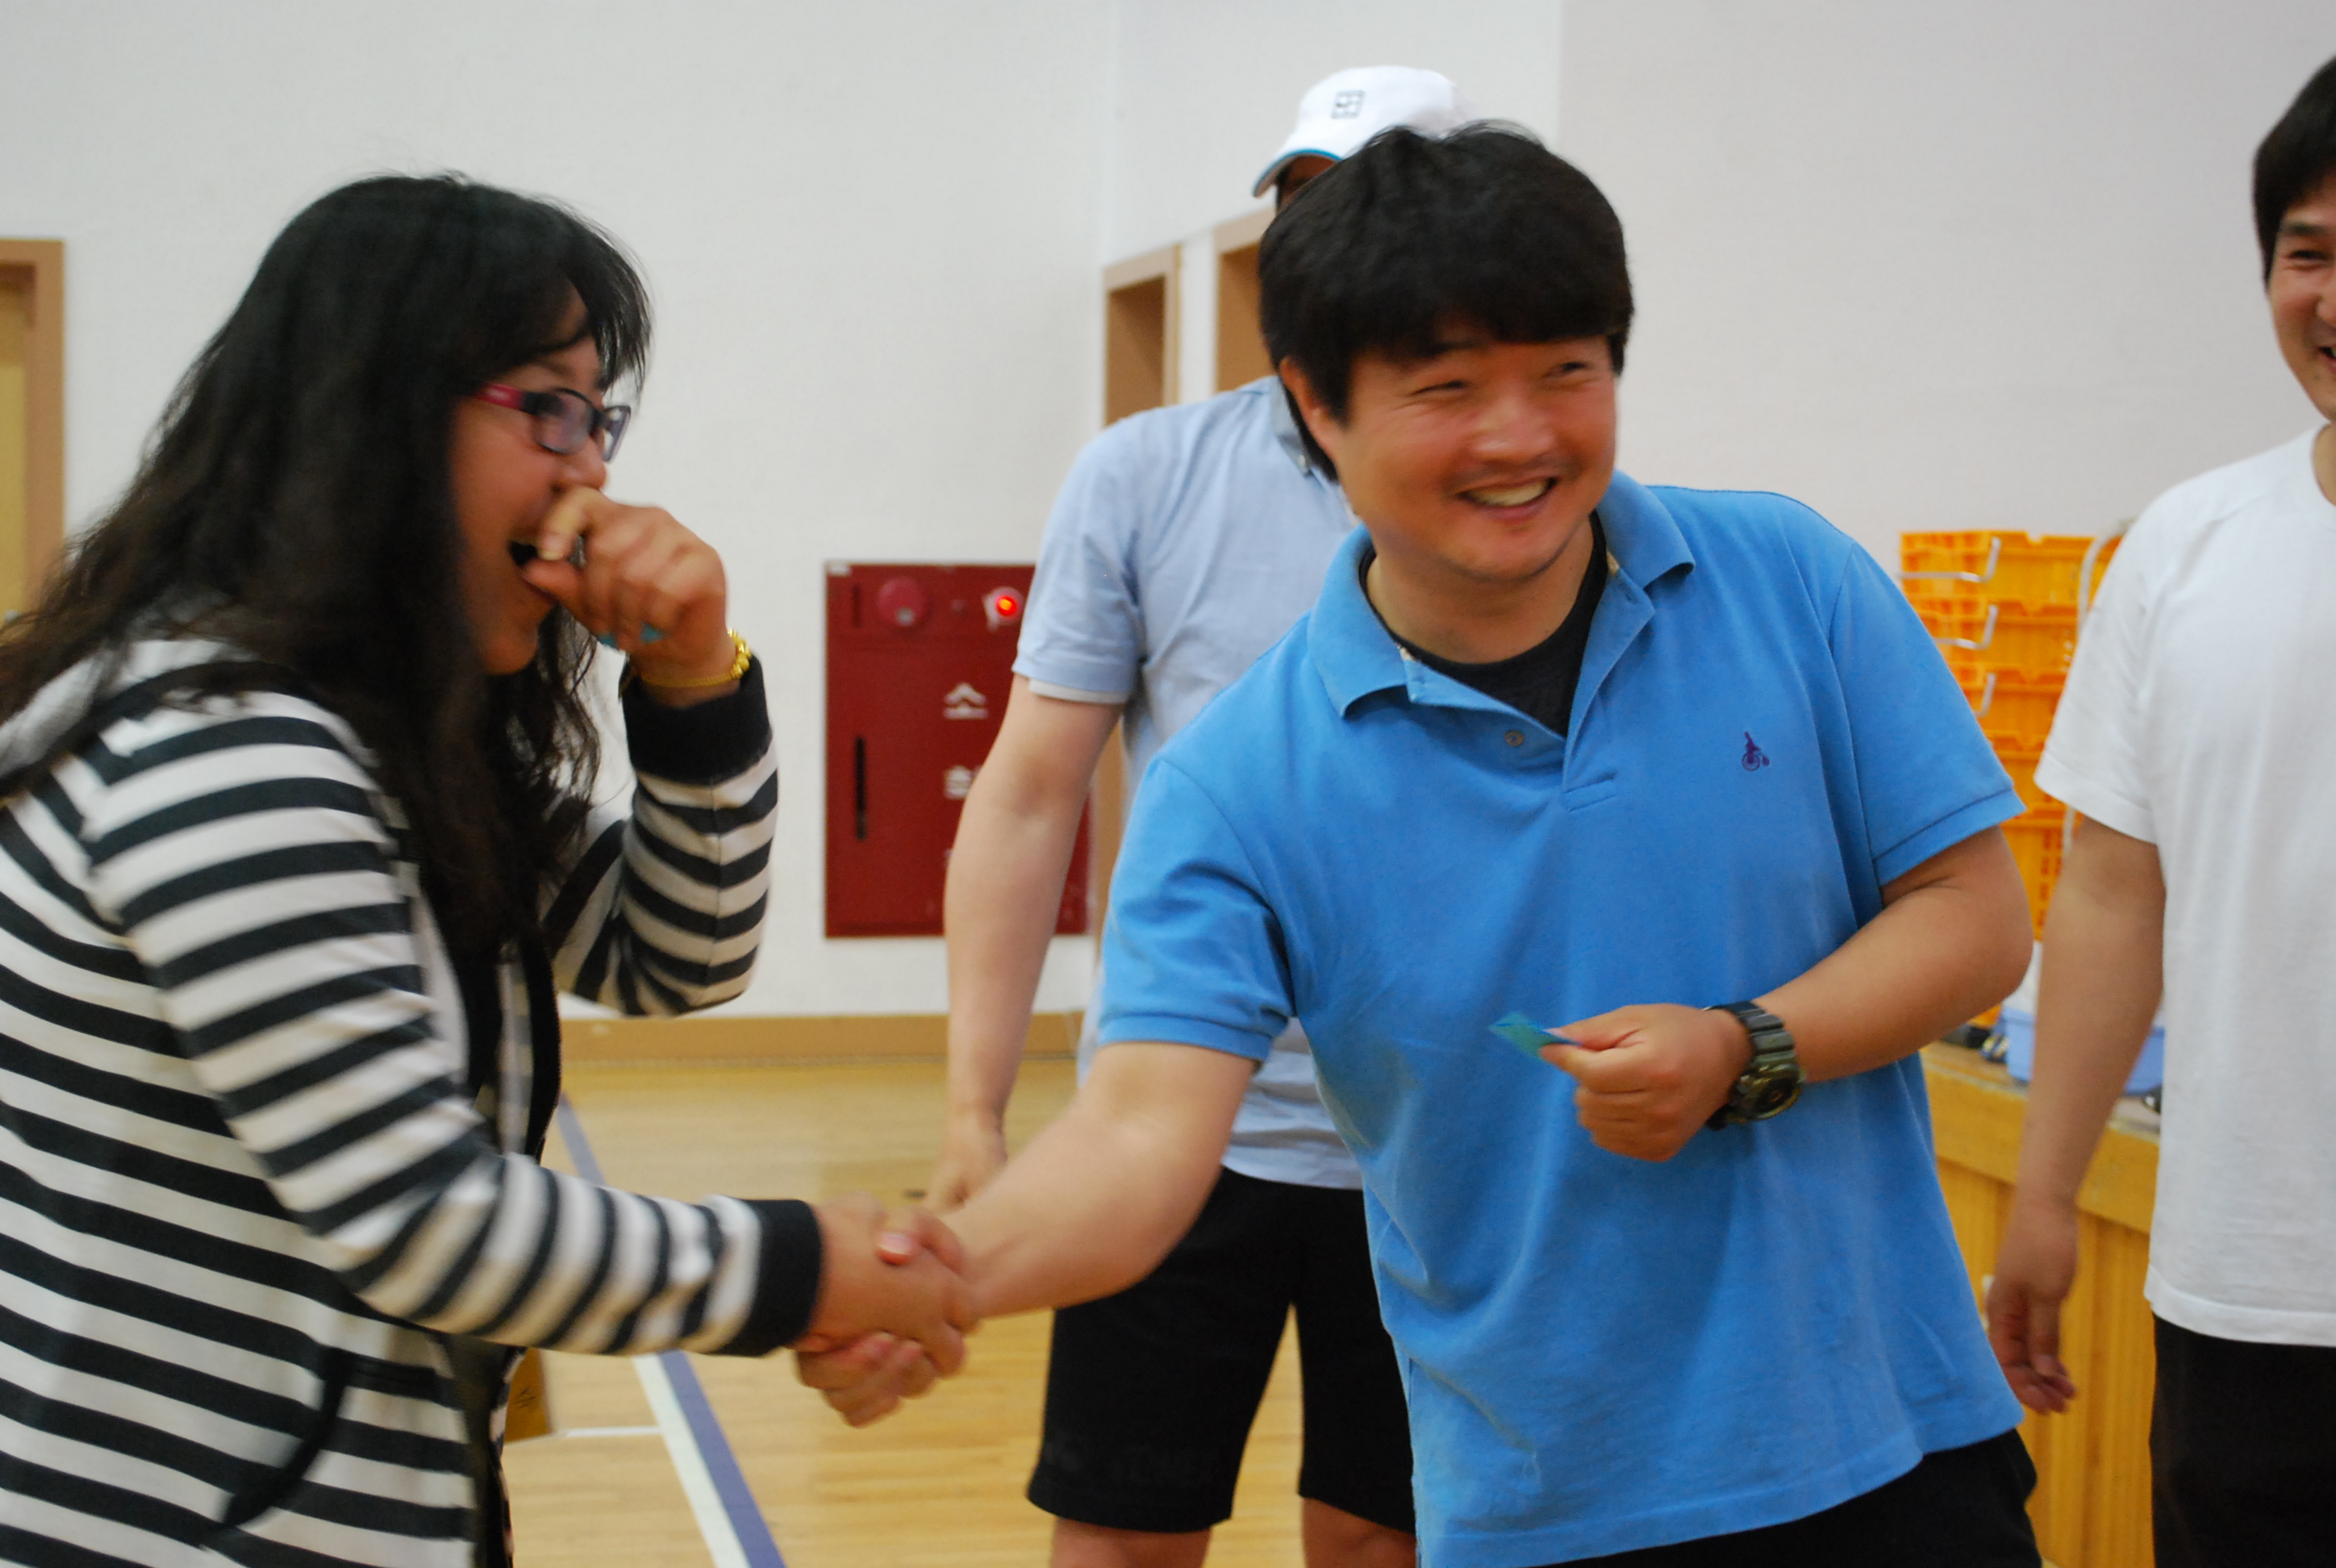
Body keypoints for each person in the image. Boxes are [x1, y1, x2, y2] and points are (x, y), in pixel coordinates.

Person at [811, 126, 2042, 1566]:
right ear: (1315, 405)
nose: (1519, 438)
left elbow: (1975, 916)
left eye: (1566, 371)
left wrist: (1744, 1047)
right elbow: (1142, 1133)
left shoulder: (1789, 580)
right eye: (1447, 389)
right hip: (1555, 1501)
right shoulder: (1241, 785)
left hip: (1900, 1445)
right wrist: (943, 1272)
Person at [0, 174, 966, 1567]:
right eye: (550, 410)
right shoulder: (233, 750)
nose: (592, 474)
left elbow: (675, 957)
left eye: (601, 419)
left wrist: (695, 676)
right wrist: (806, 1269)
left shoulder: (372, 737)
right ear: (375, 415)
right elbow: (426, 1220)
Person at [932, 66, 1474, 1568]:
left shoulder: (1516, 496)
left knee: (1381, 1539)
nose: (1328, 248)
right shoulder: (1146, 475)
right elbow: (1028, 794)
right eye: (1302, 207)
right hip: (1171, 1120)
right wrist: (975, 1111)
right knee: (1122, 1535)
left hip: (1431, 1143)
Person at [1985, 54, 2336, 1568]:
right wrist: (2044, 1195)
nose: (2332, 296)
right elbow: (2114, 895)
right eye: (2309, 253)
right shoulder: (2186, 547)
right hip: (2248, 1284)